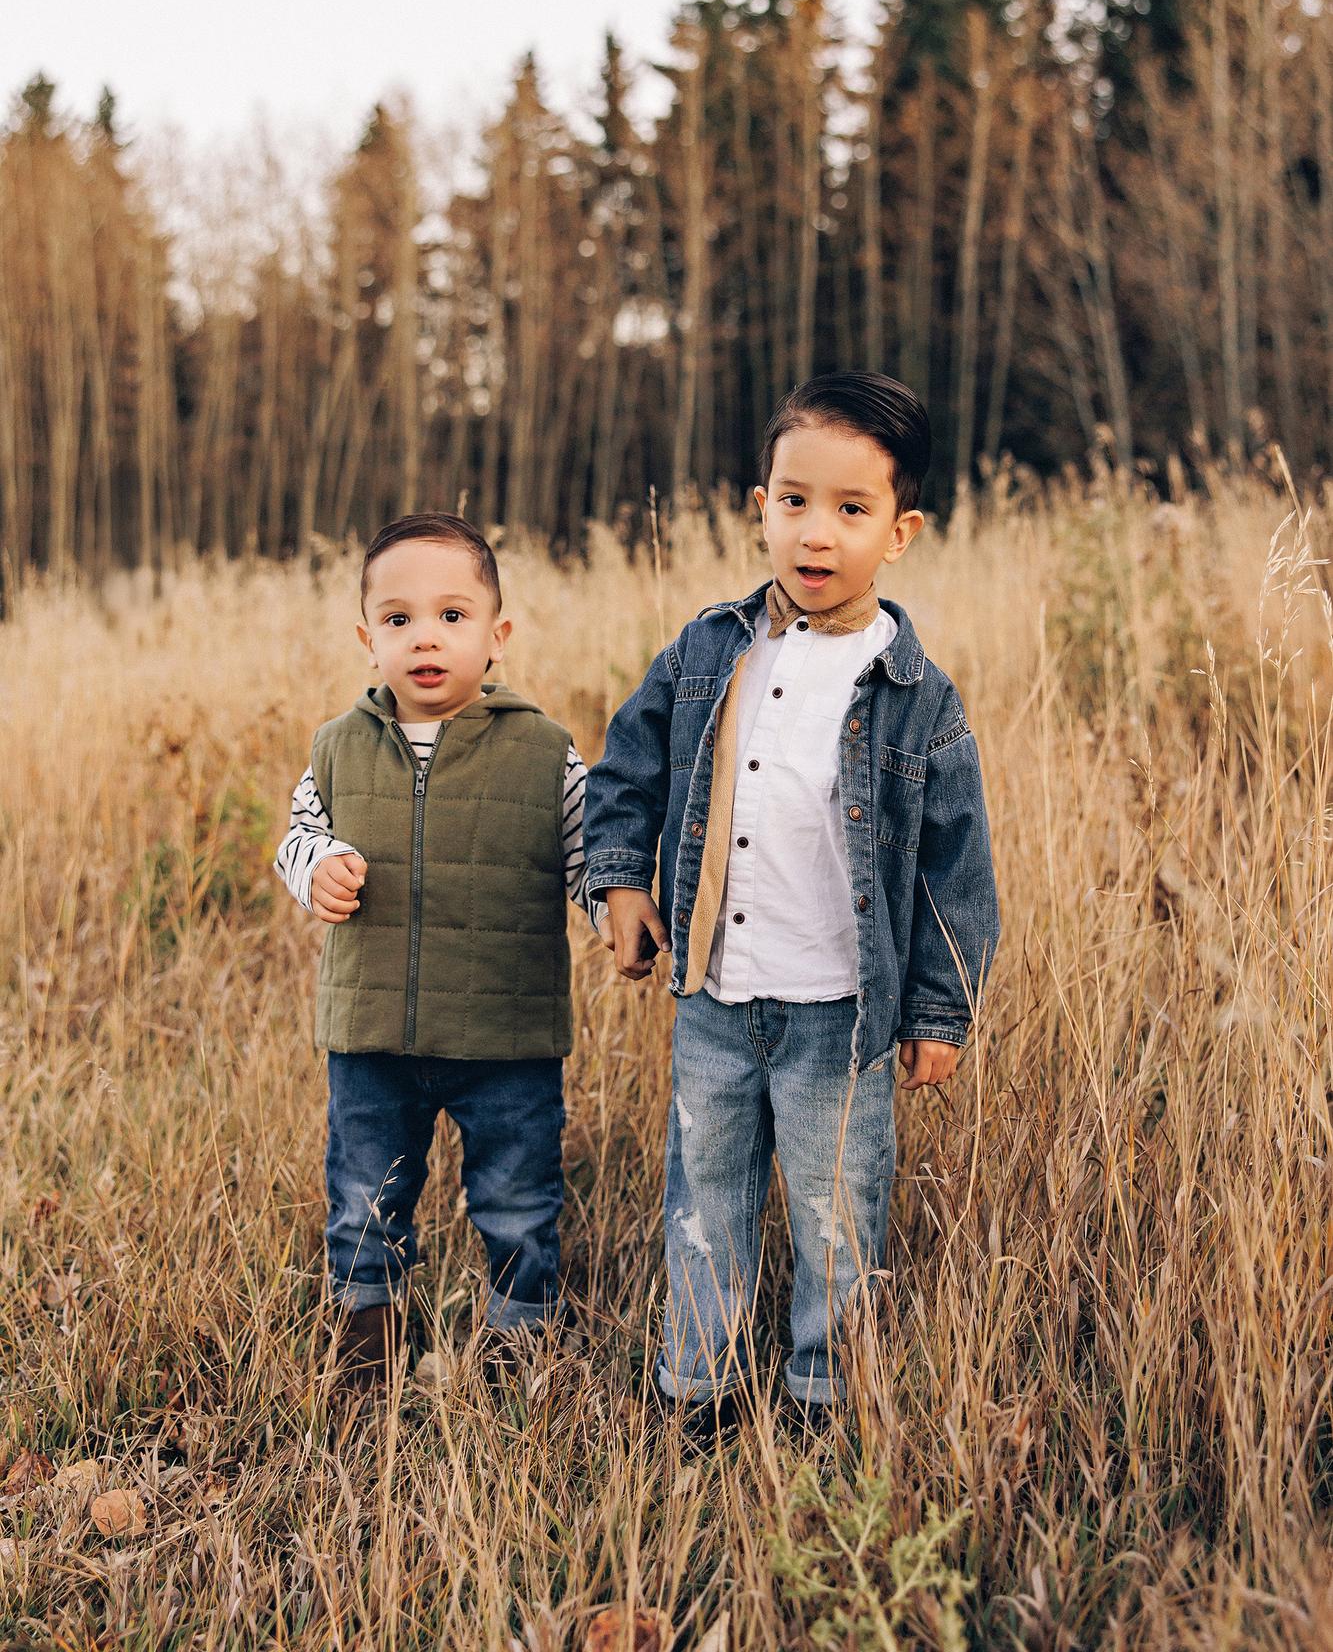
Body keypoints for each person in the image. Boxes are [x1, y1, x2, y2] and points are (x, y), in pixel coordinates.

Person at [584, 372, 1000, 1432]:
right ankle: (699, 1385)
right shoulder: (709, 651)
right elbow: (627, 766)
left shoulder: (915, 692)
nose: (817, 532)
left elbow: (954, 870)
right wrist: (621, 880)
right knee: (704, 1193)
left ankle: (823, 1394)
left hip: (840, 1015)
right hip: (717, 999)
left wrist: (939, 1013)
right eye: (793, 501)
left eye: (851, 510)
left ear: (898, 531)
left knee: (836, 1212)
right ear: (757, 506)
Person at [275, 512, 594, 1385]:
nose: (426, 637)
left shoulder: (544, 751)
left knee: (518, 1199)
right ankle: (366, 1346)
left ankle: (518, 1344)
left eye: (453, 617)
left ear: (497, 636)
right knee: (365, 1198)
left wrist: (616, 911)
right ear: (366, 637)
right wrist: (319, 866)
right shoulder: (337, 749)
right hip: (372, 1035)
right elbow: (294, 839)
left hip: (508, 1040)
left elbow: (591, 853)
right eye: (399, 618)